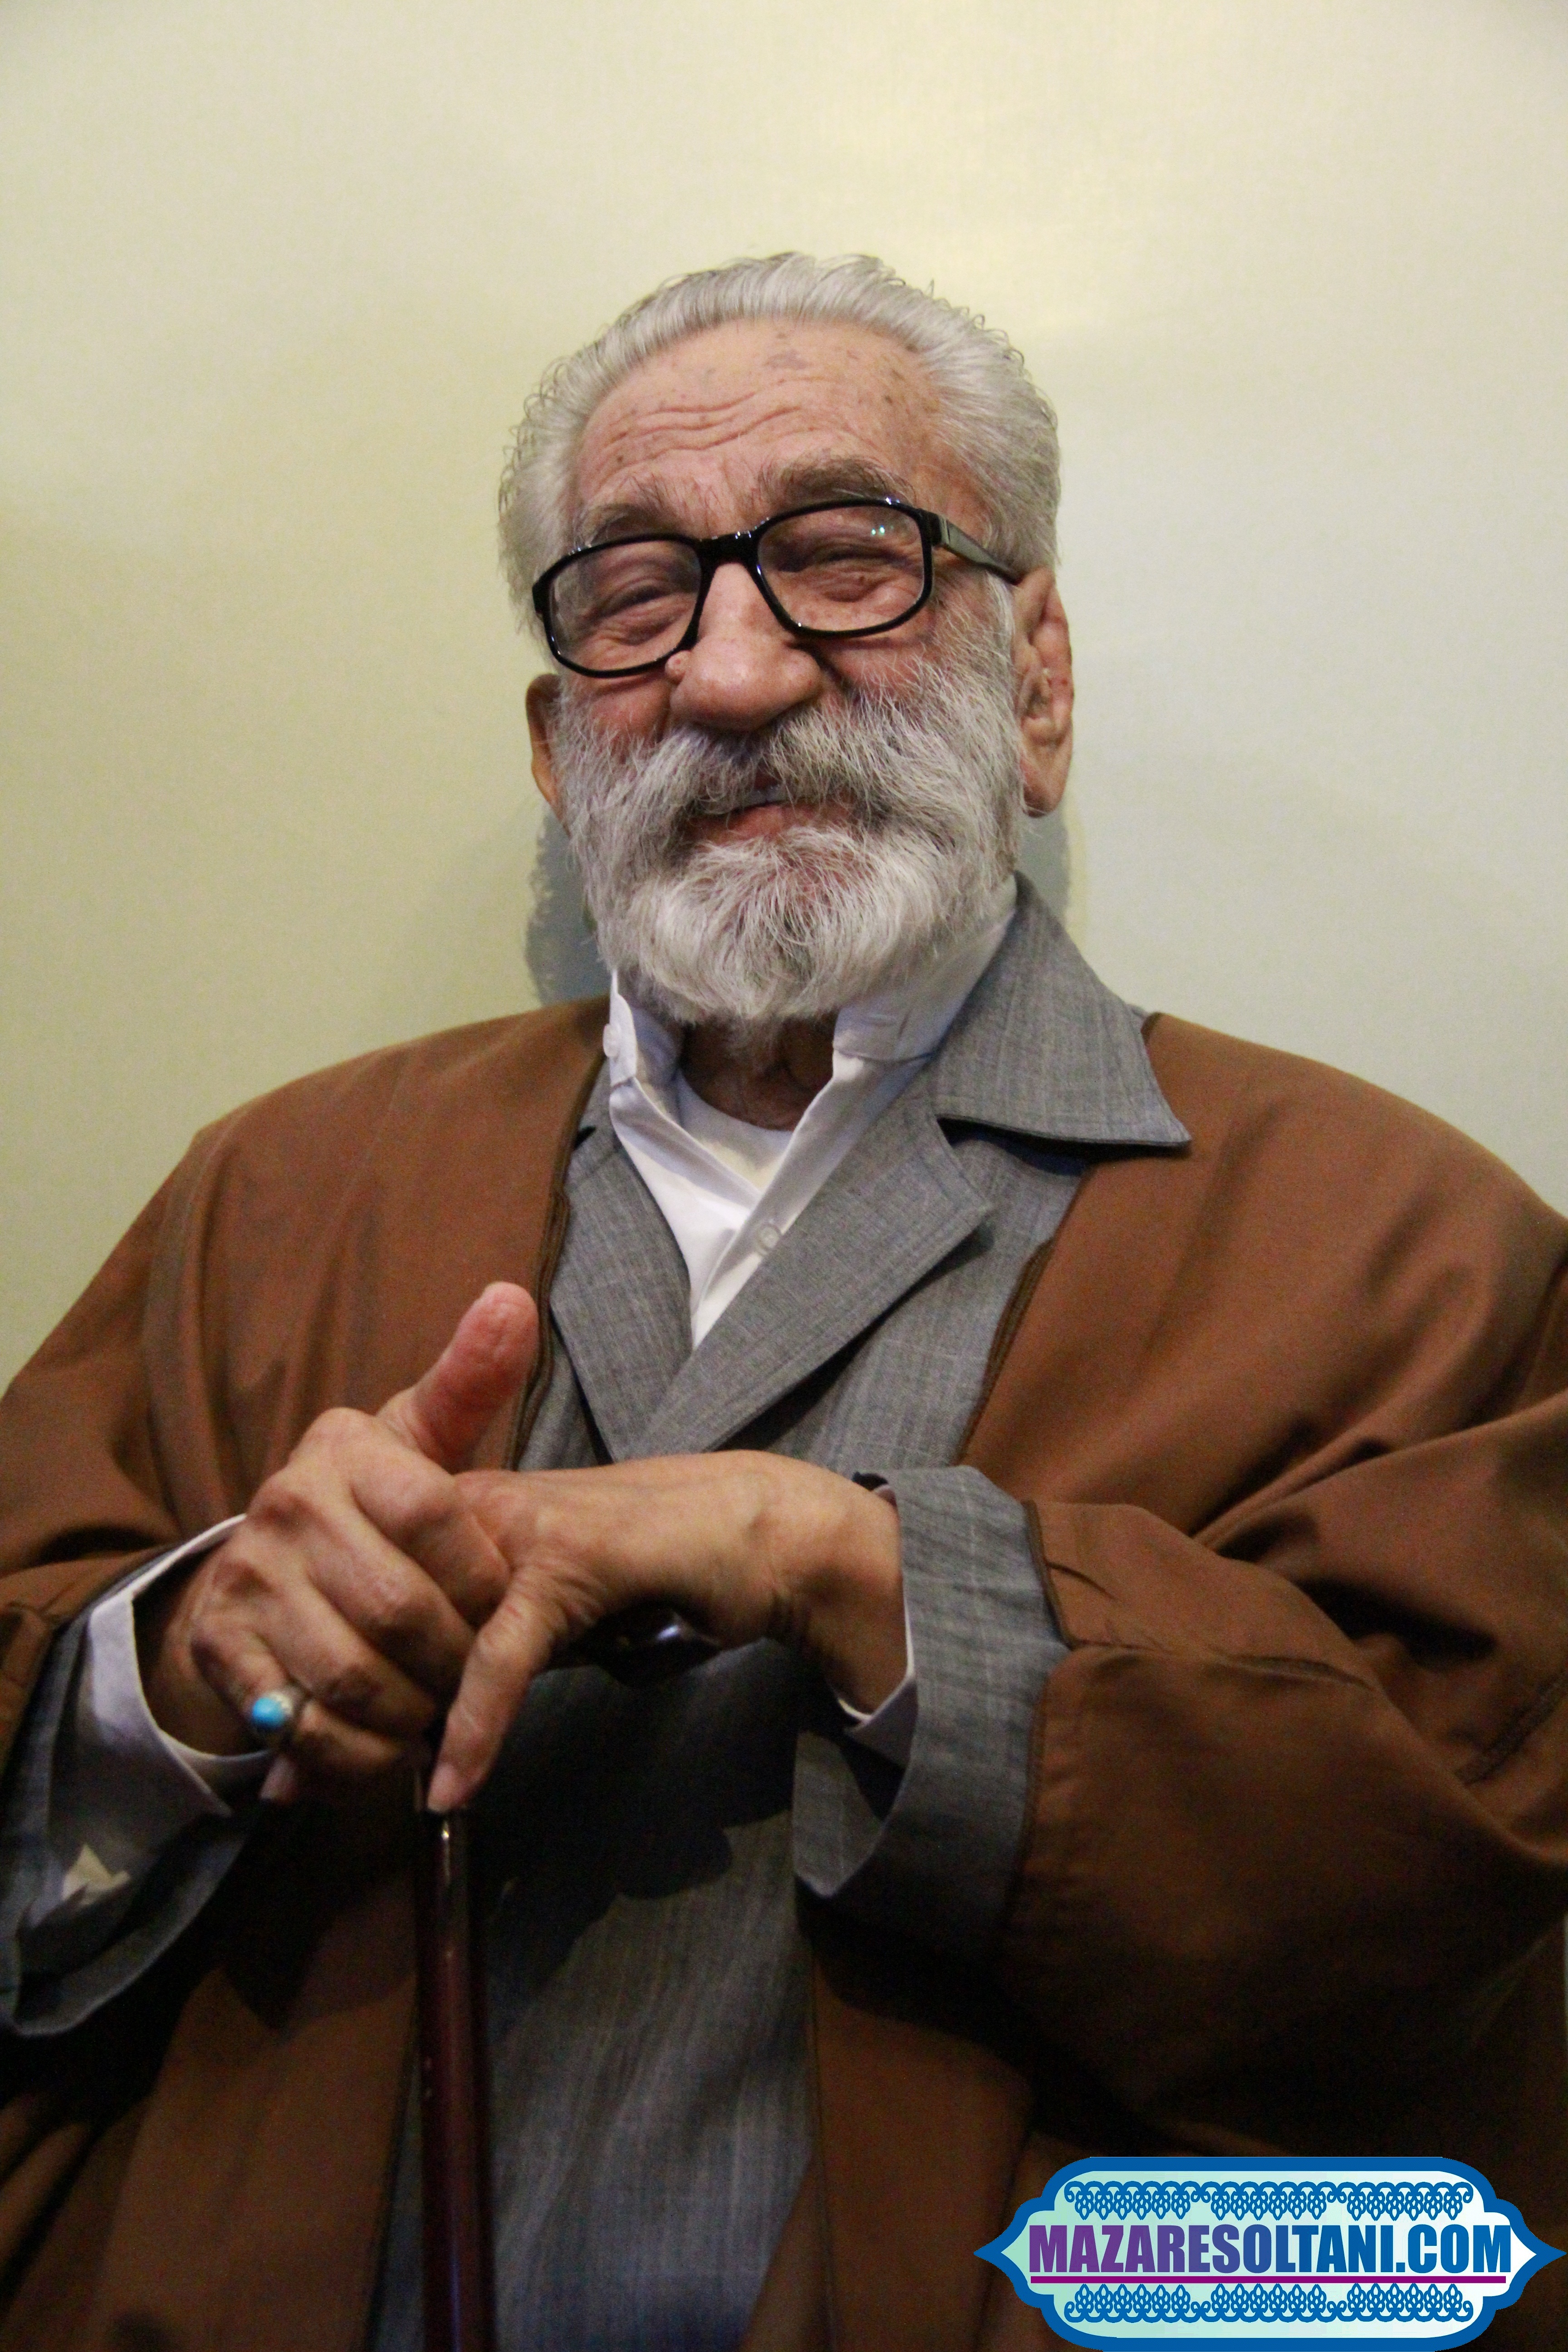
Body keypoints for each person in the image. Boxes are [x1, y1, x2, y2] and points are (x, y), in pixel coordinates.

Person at [0, 253, 1564, 2352]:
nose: (733, 674)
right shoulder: (277, 1196)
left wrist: (845, 1565)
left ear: (1037, 683)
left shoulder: (1400, 1245)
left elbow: (1441, 1916)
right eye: (637, 596)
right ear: (559, 745)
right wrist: (186, 1672)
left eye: (846, 557)